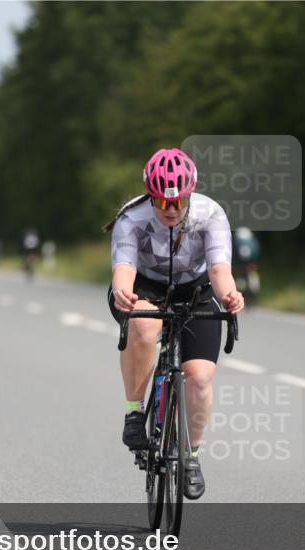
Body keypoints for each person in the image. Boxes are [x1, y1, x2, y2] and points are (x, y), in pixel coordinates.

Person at [105, 147, 244, 500]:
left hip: (196, 288)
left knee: (200, 378)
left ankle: (191, 455)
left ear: (189, 194)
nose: (170, 209)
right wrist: (122, 291)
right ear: (150, 195)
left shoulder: (211, 214)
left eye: (178, 202)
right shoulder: (131, 218)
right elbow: (124, 268)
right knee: (144, 326)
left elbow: (219, 271)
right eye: (162, 201)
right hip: (145, 286)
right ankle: (134, 413)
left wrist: (230, 295)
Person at [232, 226, 261, 305]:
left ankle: (241, 297)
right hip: (250, 266)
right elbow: (256, 254)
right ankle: (251, 299)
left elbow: (233, 255)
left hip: (240, 266)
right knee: (252, 280)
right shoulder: (252, 242)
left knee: (240, 282)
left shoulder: (236, 241)